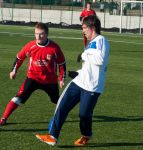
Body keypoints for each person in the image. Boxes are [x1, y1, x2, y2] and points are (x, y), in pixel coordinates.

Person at [35, 15, 110, 146]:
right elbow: (89, 66)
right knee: (62, 105)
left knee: (84, 115)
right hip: (79, 81)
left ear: (92, 27)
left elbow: (100, 60)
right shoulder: (91, 43)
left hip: (92, 86)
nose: (83, 31)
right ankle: (52, 136)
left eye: (84, 28)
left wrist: (83, 55)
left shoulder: (101, 40)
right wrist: (78, 73)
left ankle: (86, 135)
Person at [0, 22, 66, 125]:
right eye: (36, 33)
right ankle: (3, 118)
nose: (38, 36)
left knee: (57, 101)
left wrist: (62, 78)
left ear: (47, 34)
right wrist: (14, 71)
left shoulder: (54, 48)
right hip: (33, 78)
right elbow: (19, 58)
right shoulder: (30, 46)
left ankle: (61, 117)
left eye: (41, 34)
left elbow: (61, 64)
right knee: (19, 97)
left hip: (49, 80)